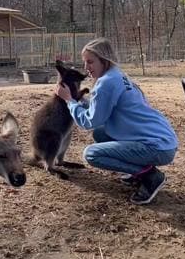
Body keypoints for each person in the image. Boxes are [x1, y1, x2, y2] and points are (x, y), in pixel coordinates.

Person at [55, 38, 178, 205]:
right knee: (101, 133)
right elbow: (100, 109)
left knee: (91, 154)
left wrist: (69, 100)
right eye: (85, 62)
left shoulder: (106, 83)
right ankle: (140, 170)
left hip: (157, 147)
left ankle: (148, 175)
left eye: (90, 62)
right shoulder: (116, 74)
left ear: (103, 60)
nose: (86, 68)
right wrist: (79, 100)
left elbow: (88, 121)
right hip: (163, 138)